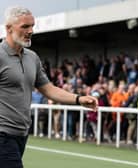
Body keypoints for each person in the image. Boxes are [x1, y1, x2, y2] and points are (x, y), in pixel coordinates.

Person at [0, 6, 98, 168]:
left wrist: (79, 99)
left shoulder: (32, 58)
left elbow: (49, 89)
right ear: (9, 28)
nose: (31, 30)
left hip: (21, 134)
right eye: (25, 26)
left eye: (32, 26)